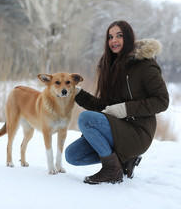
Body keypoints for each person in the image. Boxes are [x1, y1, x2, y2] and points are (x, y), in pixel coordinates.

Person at [65, 20, 169, 185]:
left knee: (85, 119)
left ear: (128, 37)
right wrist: (77, 94)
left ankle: (112, 170)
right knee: (73, 155)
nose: (114, 40)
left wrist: (125, 109)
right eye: (110, 37)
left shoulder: (145, 65)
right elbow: (105, 108)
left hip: (138, 132)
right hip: (116, 128)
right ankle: (125, 161)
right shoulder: (110, 67)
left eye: (119, 36)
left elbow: (162, 101)